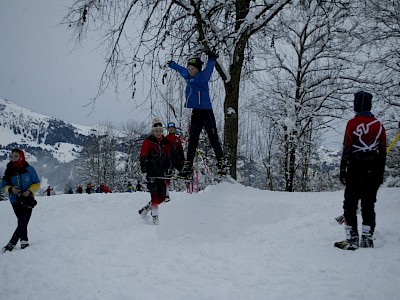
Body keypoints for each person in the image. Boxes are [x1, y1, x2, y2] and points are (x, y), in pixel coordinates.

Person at [334, 91, 386, 250]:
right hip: (373, 169)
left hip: (355, 169)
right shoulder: (379, 125)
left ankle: (352, 238)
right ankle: (367, 238)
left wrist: (343, 169)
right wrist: (380, 173)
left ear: (357, 105)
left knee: (350, 204)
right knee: (368, 205)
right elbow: (383, 152)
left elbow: (347, 148)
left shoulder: (352, 124)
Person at [168, 54, 226, 178]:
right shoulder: (187, 76)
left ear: (198, 69)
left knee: (213, 137)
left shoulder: (202, 77)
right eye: (189, 68)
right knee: (193, 139)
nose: (190, 71)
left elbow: (209, 68)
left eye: (193, 69)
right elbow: (181, 69)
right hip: (196, 113)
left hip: (206, 112)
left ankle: (221, 163)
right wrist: (172, 65)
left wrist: (212, 59)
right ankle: (188, 165)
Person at [1, 148, 40, 252]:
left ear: (21, 156)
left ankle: (11, 243)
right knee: (22, 219)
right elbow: (3, 185)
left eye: (16, 156)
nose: (13, 158)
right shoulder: (9, 170)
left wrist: (30, 191)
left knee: (24, 222)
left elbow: (36, 182)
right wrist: (10, 189)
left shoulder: (29, 169)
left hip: (28, 199)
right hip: (15, 200)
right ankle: (24, 241)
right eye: (12, 156)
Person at [138, 117, 171, 225]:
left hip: (161, 174)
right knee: (155, 195)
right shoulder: (148, 141)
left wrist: (169, 168)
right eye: (156, 131)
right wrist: (144, 171)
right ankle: (155, 217)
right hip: (151, 173)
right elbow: (143, 156)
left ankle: (146, 209)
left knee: (162, 197)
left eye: (160, 131)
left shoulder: (165, 142)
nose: (158, 133)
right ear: (153, 131)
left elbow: (168, 157)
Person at [165, 122, 185, 201]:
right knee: (167, 176)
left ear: (174, 129)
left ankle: (191, 192)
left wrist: (182, 159)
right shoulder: (166, 138)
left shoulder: (177, 139)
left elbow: (181, 150)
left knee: (184, 173)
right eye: (170, 128)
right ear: (168, 129)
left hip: (177, 160)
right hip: (169, 160)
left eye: (173, 127)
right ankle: (166, 195)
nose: (171, 129)